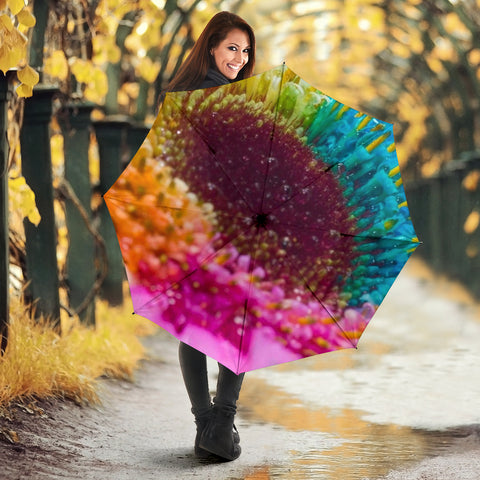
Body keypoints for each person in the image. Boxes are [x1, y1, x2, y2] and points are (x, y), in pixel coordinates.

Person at [162, 11, 256, 462]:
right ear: (212, 48)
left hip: (189, 222)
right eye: (232, 48)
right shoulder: (232, 101)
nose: (239, 57)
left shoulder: (178, 96)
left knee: (195, 323)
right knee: (237, 320)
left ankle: (207, 426)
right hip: (226, 223)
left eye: (244, 50)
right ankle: (221, 421)